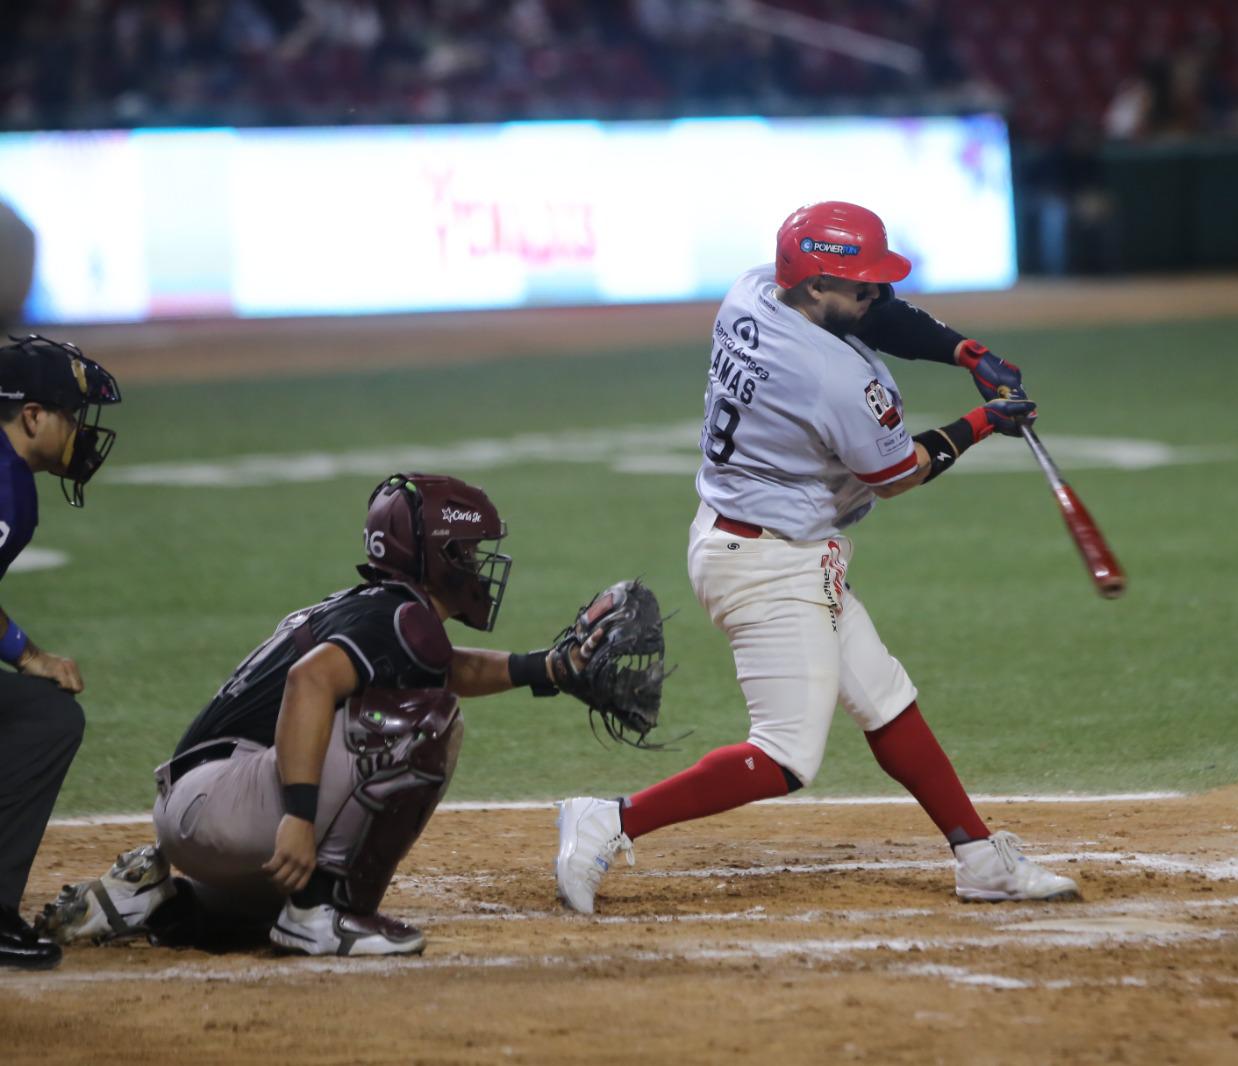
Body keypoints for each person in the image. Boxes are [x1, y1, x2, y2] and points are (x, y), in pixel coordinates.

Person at [554, 201, 1080, 914]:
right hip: (765, 563)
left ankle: (981, 858)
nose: (874, 295)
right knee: (785, 755)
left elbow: (877, 316)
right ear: (813, 287)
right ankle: (608, 820)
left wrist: (965, 351)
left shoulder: (754, 290)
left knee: (885, 699)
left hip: (762, 538)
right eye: (858, 284)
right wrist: (985, 422)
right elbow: (899, 475)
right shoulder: (834, 380)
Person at [39, 472, 608, 957]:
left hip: (200, 804)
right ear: (434, 555)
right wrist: (299, 817)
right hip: (223, 804)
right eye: (465, 551)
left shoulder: (383, 612)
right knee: (425, 723)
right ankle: (321, 913)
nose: (477, 566)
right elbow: (308, 681)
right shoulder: (399, 619)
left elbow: (447, 667)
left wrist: (546, 669)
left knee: (420, 706)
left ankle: (153, 901)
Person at [0, 335, 121, 970]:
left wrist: (20, 653)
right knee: (48, 718)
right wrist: (26, 656)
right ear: (33, 417)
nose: (80, 432)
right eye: (71, 416)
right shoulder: (6, 485)